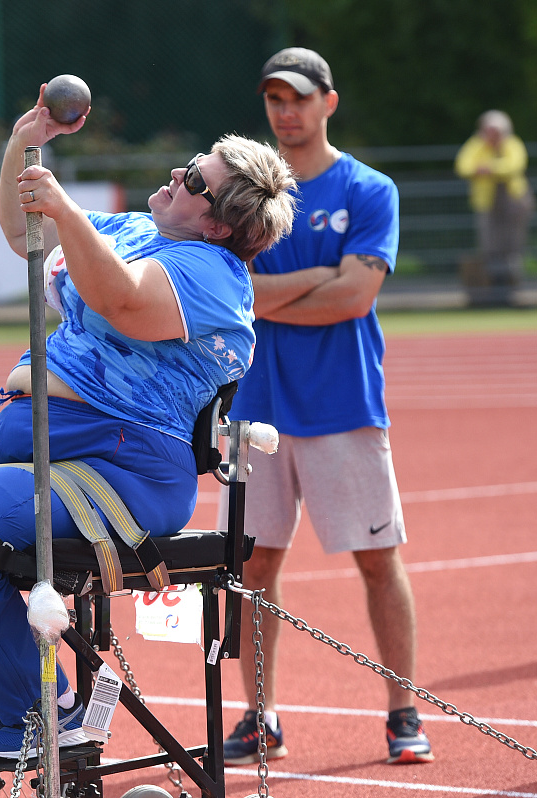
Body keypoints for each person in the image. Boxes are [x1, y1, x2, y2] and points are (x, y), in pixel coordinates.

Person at [0, 84, 296, 760]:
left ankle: (46, 713)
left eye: (195, 179)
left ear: (219, 224)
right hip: (58, 454)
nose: (177, 173)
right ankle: (4, 698)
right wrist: (25, 142)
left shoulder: (212, 271)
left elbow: (122, 301)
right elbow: (25, 232)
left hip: (124, 466)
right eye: (192, 163)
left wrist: (65, 208)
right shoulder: (137, 230)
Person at [217, 47, 434, 766]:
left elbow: (355, 297)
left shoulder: (369, 189)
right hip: (254, 407)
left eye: (300, 98)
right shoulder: (242, 195)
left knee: (378, 560)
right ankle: (260, 716)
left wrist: (267, 298)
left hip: (344, 403)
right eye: (275, 99)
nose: (286, 112)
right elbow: (234, 296)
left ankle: (403, 711)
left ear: (328, 102)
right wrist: (318, 278)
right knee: (252, 566)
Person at [454, 110, 534, 306]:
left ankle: (513, 292)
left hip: (514, 203)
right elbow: (463, 166)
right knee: (490, 248)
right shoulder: (476, 145)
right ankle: (495, 291)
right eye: (488, 130)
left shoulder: (512, 144)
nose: (491, 135)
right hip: (487, 204)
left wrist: (488, 168)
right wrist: (489, 168)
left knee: (513, 248)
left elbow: (515, 165)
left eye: (495, 131)